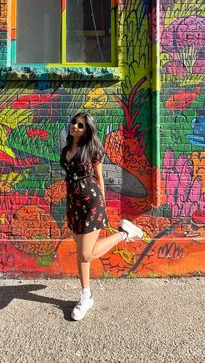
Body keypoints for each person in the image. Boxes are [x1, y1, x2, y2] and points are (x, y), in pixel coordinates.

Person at [60, 112, 144, 321]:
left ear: (87, 130)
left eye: (80, 125)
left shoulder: (92, 150)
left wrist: (103, 205)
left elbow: (99, 178)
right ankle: (86, 296)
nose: (75, 127)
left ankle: (124, 234)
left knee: (87, 255)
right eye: (74, 123)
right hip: (74, 204)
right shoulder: (65, 150)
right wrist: (69, 208)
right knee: (81, 254)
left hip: (91, 202)